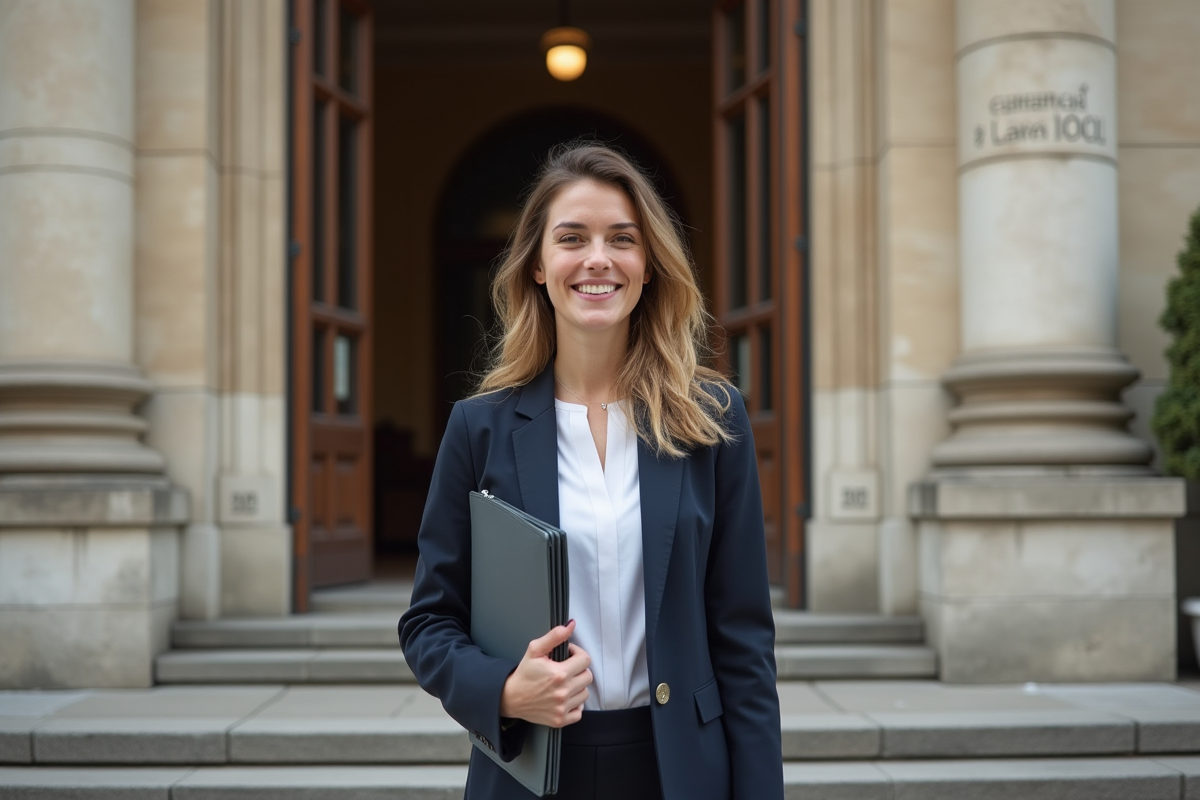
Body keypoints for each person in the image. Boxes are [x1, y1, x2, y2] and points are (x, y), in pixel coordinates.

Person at [398, 142, 783, 800]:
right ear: (540, 267)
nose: (597, 259)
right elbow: (429, 622)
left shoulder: (713, 421)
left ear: (649, 266)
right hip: (532, 769)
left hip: (681, 772)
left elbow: (744, 643)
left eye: (622, 239)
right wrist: (504, 691)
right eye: (571, 238)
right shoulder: (478, 429)